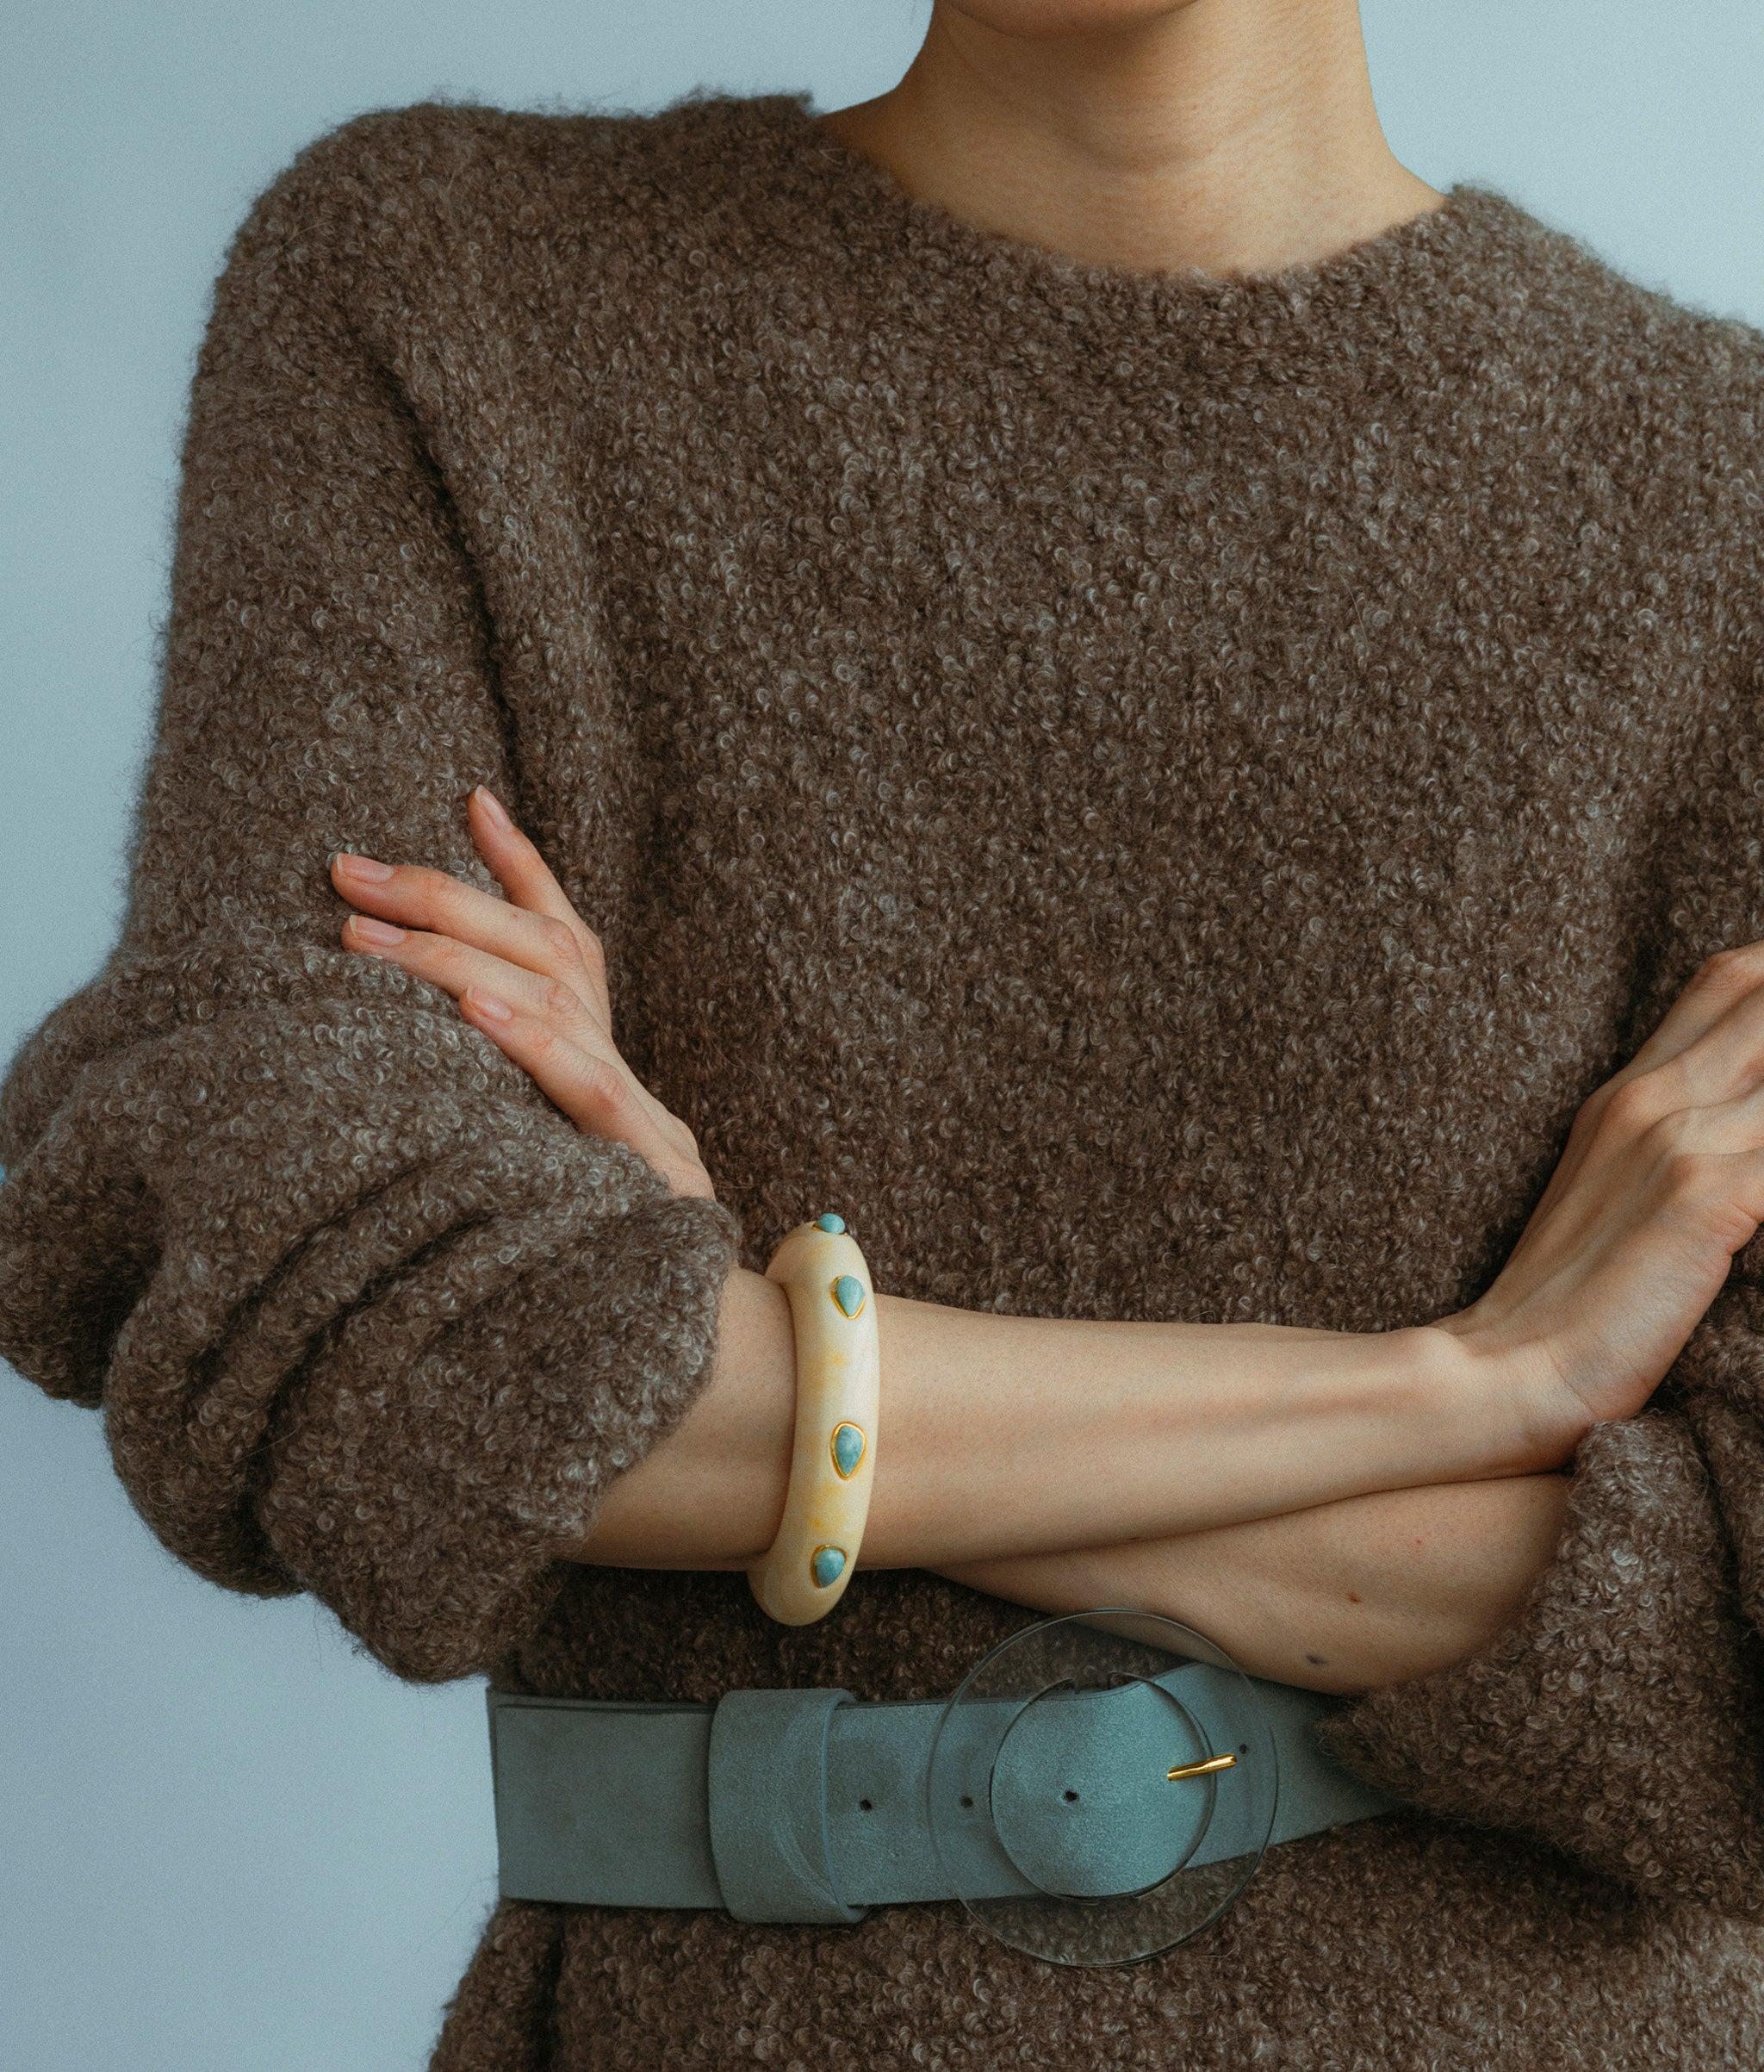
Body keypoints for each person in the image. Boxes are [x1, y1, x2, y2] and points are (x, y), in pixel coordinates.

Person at [4, 0, 1764, 2063]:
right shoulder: (447, 292)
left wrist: (746, 1344)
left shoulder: (1722, 507)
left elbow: (1723, 1678)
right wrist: (1482, 1383)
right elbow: (377, 1359)